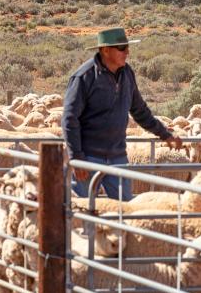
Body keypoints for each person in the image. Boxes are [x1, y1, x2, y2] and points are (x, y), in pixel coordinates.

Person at [63, 27, 182, 200]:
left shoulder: (127, 74)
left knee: (124, 209)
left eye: (127, 47)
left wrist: (166, 135)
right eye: (122, 48)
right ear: (105, 50)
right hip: (88, 157)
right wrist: (76, 158)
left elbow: (140, 111)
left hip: (117, 155)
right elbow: (69, 119)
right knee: (81, 210)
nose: (127, 52)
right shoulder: (84, 77)